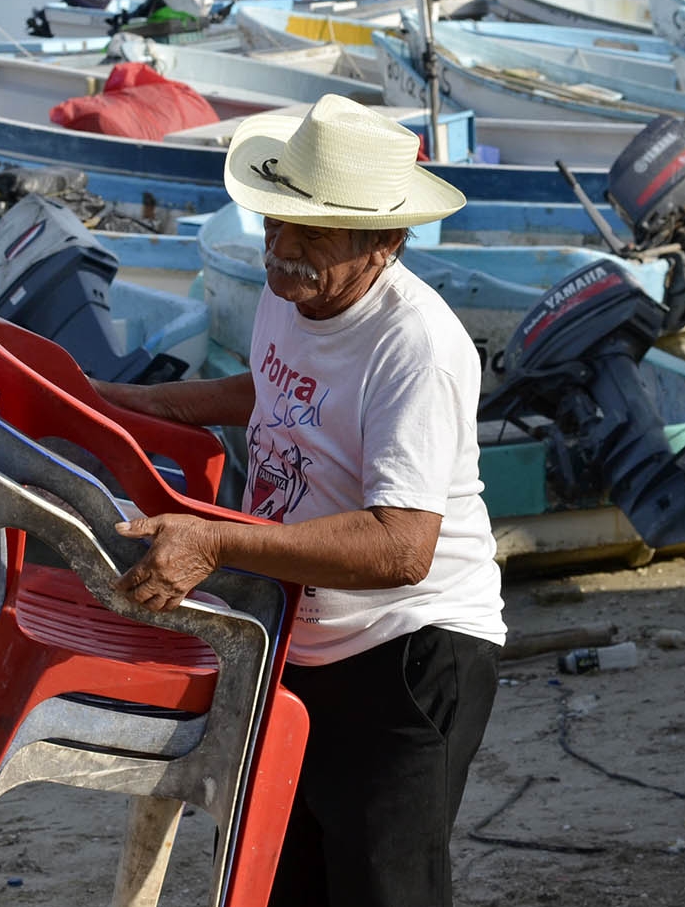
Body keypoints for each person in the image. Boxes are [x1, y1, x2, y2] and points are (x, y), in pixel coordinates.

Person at [97, 94, 505, 907]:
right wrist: (125, 403)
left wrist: (214, 542)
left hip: (410, 648)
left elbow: (402, 547)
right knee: (283, 882)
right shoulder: (291, 296)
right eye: (275, 222)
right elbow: (279, 391)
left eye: (312, 233)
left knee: (385, 890)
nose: (282, 251)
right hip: (300, 639)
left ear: (384, 242)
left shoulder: (416, 348)